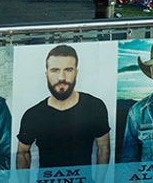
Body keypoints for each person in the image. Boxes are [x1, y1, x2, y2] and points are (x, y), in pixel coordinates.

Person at [16, 45, 110, 178]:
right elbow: (22, 153)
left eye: (68, 70)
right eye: (55, 70)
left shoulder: (95, 106)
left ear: (76, 73)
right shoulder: (33, 115)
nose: (62, 77)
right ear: (46, 74)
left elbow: (103, 148)